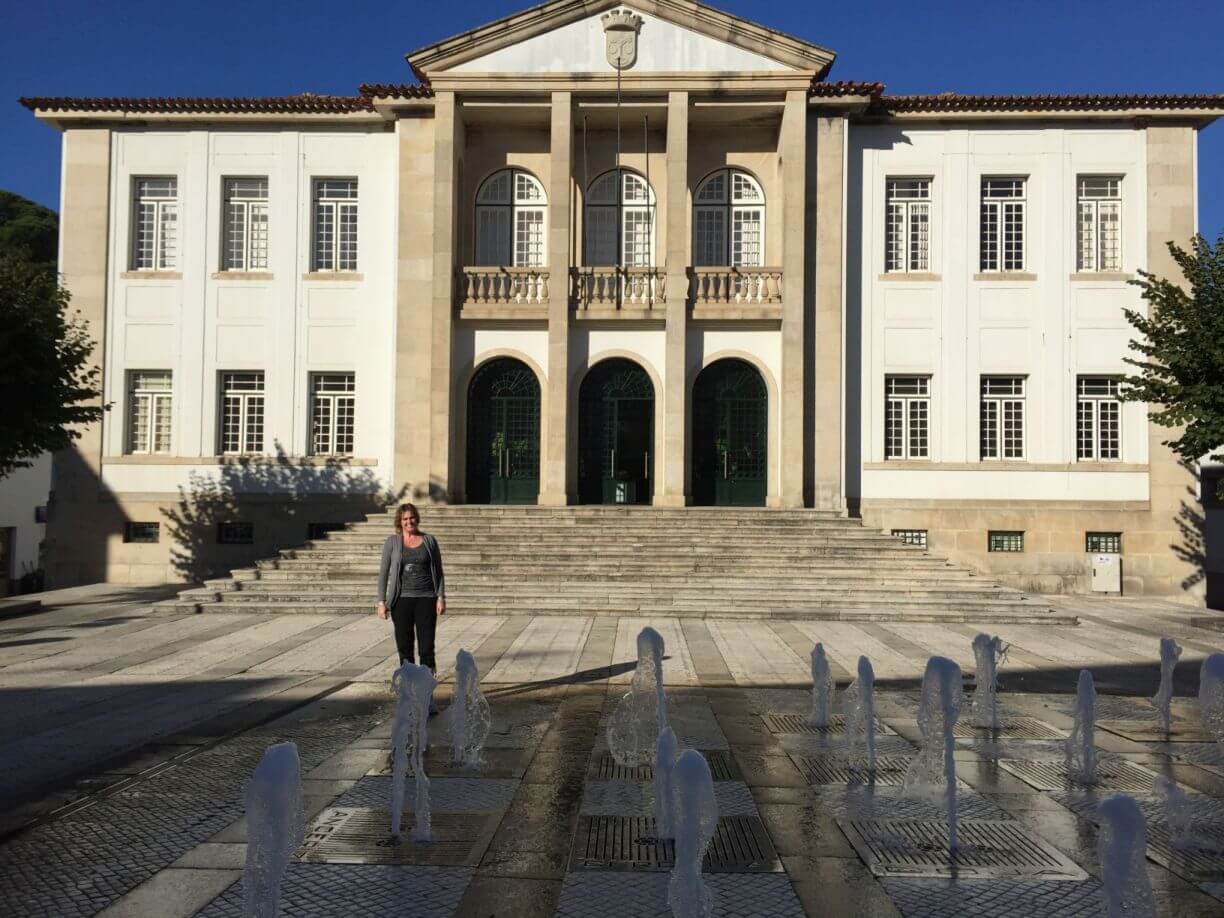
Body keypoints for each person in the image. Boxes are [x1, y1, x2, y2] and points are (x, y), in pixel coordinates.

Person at [376, 503, 446, 703]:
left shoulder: (429, 541)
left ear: (417, 518)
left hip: (426, 600)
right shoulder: (392, 542)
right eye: (405, 519)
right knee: (405, 649)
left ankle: (427, 696)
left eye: (412, 518)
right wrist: (381, 601)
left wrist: (441, 597)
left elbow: (439, 572)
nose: (409, 522)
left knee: (426, 649)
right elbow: (383, 574)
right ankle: (408, 694)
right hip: (401, 602)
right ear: (400, 521)